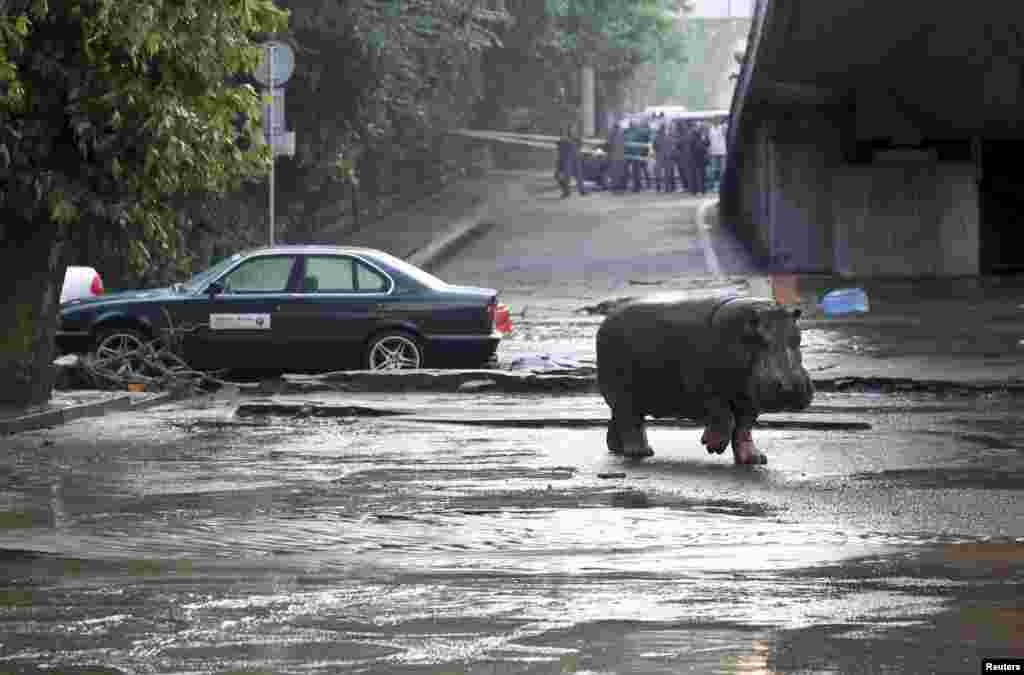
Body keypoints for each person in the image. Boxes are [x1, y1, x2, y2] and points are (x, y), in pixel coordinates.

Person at [555, 123, 587, 198]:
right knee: (565, 177)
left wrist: (579, 154)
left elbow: (580, 146)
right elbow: (560, 150)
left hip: (576, 159)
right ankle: (566, 192)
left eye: (574, 129)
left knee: (579, 176)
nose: (573, 130)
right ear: (568, 130)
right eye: (571, 129)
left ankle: (582, 191)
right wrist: (559, 163)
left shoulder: (577, 138)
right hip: (568, 160)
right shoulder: (564, 139)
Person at [653, 124, 676, 192]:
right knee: (667, 174)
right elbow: (672, 146)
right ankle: (667, 188)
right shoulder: (669, 137)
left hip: (660, 157)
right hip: (667, 157)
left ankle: (658, 187)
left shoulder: (657, 137)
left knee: (658, 173)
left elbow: (654, 146)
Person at [689, 121, 710, 195]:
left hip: (702, 158)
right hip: (695, 158)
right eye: (697, 126)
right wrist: (703, 142)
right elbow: (696, 146)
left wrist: (704, 140)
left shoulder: (703, 134)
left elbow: (708, 143)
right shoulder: (692, 134)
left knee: (702, 174)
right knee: (697, 175)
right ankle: (698, 190)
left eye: (700, 126)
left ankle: (702, 190)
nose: (699, 127)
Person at [707, 117, 727, 192]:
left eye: (717, 121)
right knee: (714, 170)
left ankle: (723, 185)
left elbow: (725, 129)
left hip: (722, 151)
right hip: (713, 152)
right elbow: (709, 140)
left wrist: (723, 125)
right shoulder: (710, 129)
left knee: (723, 170)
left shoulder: (722, 128)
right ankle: (715, 186)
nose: (716, 122)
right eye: (714, 121)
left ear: (719, 122)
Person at [607, 122, 626, 193]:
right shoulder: (620, 134)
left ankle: (615, 188)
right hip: (619, 156)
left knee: (615, 173)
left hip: (615, 156)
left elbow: (608, 144)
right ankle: (618, 188)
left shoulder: (612, 133)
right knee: (619, 173)